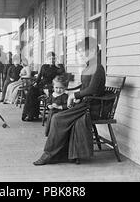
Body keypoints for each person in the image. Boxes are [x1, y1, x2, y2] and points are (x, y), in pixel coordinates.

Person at [33, 37, 105, 165]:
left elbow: (92, 89)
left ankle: (49, 154)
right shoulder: (88, 67)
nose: (81, 55)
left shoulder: (97, 68)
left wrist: (74, 96)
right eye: (80, 52)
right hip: (84, 103)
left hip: (92, 106)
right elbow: (84, 88)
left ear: (93, 51)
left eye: (83, 51)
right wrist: (75, 96)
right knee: (55, 114)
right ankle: (63, 153)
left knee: (57, 118)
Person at [21, 52, 65, 121]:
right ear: (47, 59)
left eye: (53, 59)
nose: (52, 60)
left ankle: (32, 115)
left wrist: (59, 64)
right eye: (50, 59)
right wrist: (36, 83)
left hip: (49, 87)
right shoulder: (44, 66)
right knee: (31, 91)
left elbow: (61, 74)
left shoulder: (57, 69)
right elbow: (39, 76)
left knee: (33, 93)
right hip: (41, 84)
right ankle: (29, 114)